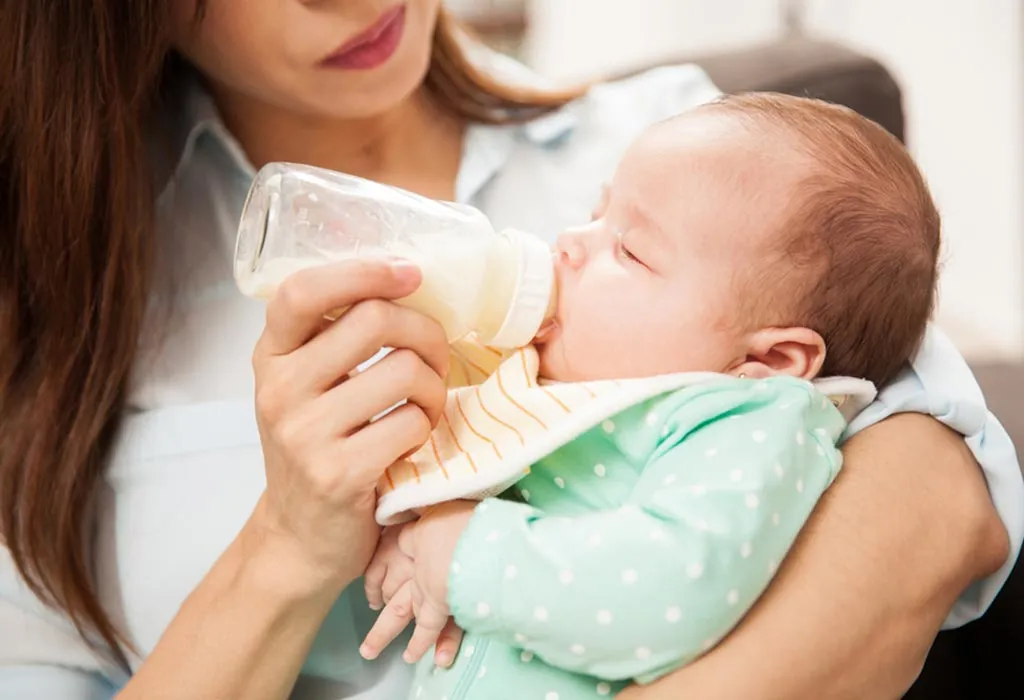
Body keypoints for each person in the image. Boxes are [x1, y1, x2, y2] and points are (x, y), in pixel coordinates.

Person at [0, 1, 1018, 699]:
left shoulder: (696, 150)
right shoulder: (55, 317)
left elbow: (937, 499)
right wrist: (289, 544)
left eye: (622, 245)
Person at [353, 93, 938, 700]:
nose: (569, 243)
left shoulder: (742, 421)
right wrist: (424, 527)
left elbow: (672, 586)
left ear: (769, 361)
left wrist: (466, 554)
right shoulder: (565, 384)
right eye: (596, 213)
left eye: (630, 250)